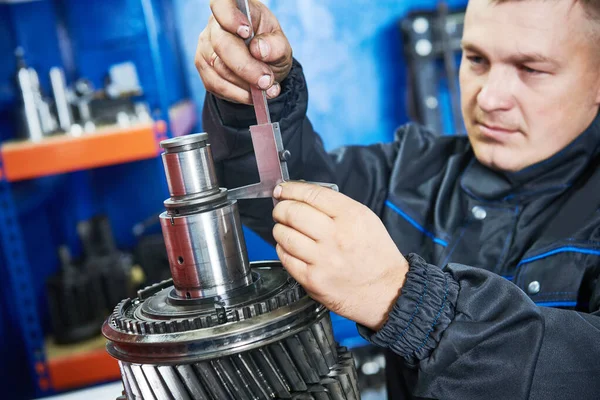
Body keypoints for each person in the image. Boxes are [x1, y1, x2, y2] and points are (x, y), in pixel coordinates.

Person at [196, 0, 600, 398]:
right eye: (476, 59)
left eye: (531, 69)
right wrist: (252, 96)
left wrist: (409, 301)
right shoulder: (414, 171)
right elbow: (278, 192)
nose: (489, 98)